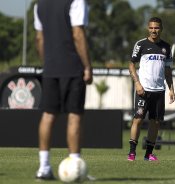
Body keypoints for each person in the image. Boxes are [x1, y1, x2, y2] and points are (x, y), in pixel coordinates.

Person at [33, 0, 93, 180]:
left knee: (48, 115)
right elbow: (78, 34)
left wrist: (48, 63)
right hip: (73, 67)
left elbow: (39, 38)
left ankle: (44, 167)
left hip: (50, 69)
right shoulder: (76, 1)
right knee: (74, 116)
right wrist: (87, 66)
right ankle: (75, 166)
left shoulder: (39, 4)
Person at [127, 17, 175, 161]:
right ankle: (132, 153)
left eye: (157, 28)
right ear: (148, 28)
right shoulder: (141, 44)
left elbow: (168, 70)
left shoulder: (166, 47)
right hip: (144, 90)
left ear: (161, 29)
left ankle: (148, 154)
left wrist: (171, 89)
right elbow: (131, 64)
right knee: (138, 119)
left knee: (155, 122)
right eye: (151, 28)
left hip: (159, 91)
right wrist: (137, 83)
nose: (154, 30)